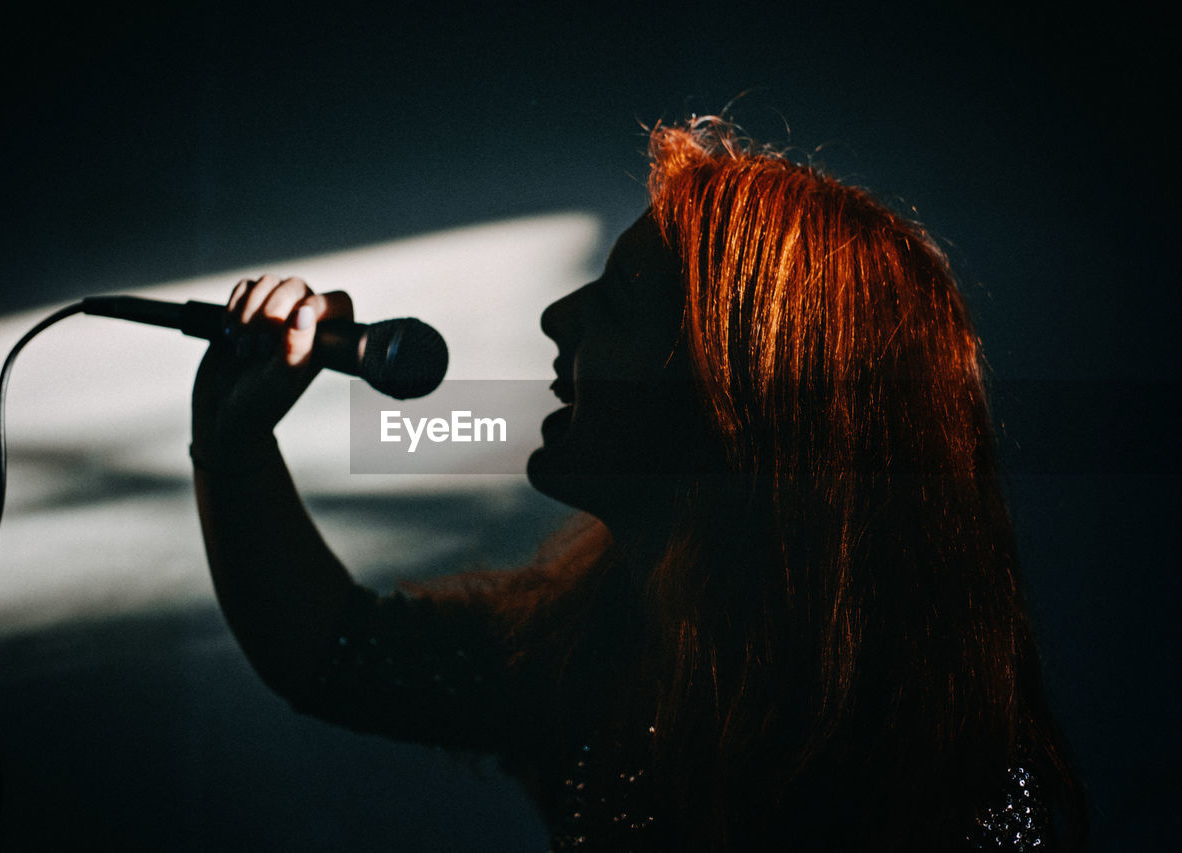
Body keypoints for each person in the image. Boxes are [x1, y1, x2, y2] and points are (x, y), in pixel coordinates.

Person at [189, 117, 1087, 851]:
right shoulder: (607, 642)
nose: (556, 317)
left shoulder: (955, 788)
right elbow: (337, 653)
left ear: (734, 394)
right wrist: (230, 443)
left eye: (616, 300)